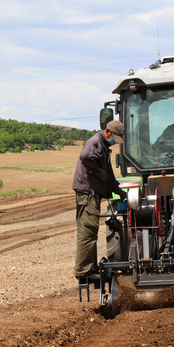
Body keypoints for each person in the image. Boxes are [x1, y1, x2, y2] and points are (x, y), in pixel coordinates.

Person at [72, 120, 128, 283]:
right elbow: (85, 157)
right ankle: (83, 270)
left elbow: (109, 175)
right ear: (108, 132)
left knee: (92, 230)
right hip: (87, 191)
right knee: (88, 229)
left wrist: (119, 191)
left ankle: (91, 267)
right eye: (116, 138)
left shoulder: (104, 147)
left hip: (92, 192)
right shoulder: (95, 142)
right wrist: (98, 170)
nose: (116, 142)